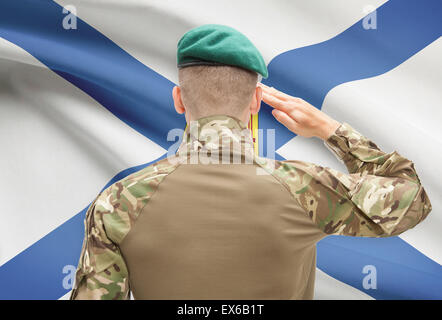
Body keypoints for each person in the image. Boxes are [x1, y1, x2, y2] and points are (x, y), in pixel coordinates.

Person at [70, 24, 432, 300]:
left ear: (179, 100)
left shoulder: (117, 203)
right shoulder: (305, 188)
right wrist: (330, 130)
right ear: (257, 101)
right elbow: (412, 198)